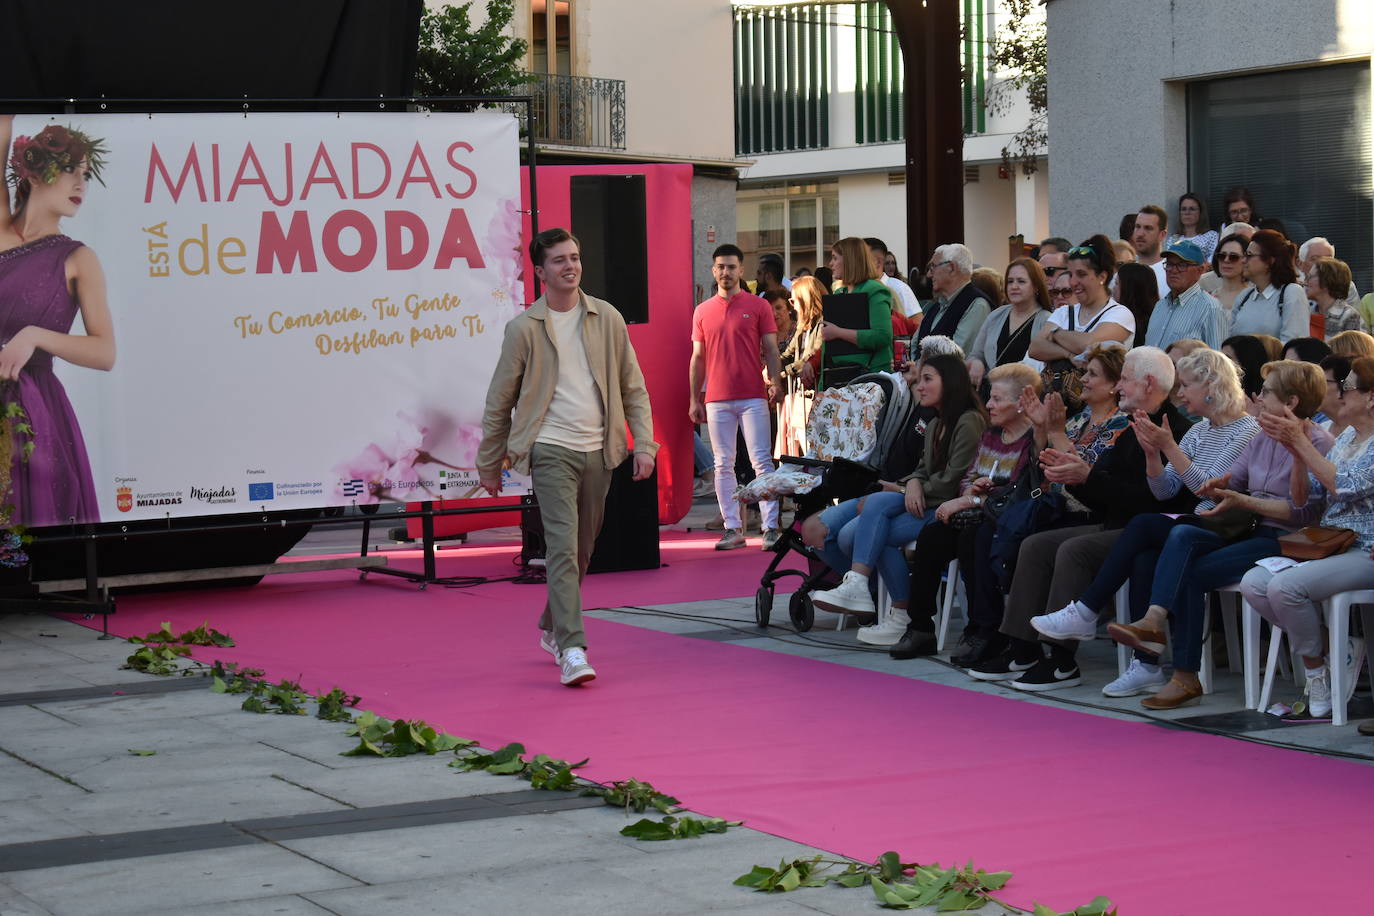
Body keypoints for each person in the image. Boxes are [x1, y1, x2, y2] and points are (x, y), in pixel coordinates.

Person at [478, 227, 658, 687]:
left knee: (581, 550)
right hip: (550, 448)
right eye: (559, 260)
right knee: (561, 547)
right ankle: (573, 648)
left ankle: (551, 624)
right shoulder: (524, 329)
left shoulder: (608, 318)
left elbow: (632, 387)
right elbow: (500, 400)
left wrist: (645, 444)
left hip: (599, 449)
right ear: (541, 272)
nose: (570, 266)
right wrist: (489, 460)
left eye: (574, 257)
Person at [1106, 360, 1334, 708]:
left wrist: (1242, 497)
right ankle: (1157, 629)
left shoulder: (1318, 441)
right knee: (1180, 536)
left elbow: (1302, 512)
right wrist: (1220, 485)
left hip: (1287, 540)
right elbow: (1227, 485)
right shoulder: (1260, 436)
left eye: (1267, 392)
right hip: (1247, 528)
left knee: (1188, 568)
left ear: (1290, 403)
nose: (1256, 396)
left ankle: (1182, 672)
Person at [1031, 348, 1258, 698]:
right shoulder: (1199, 432)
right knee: (1143, 555)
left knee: (1143, 526)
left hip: (1226, 528)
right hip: (1193, 524)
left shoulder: (1245, 431)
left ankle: (1087, 609)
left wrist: (1169, 447)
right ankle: (1146, 666)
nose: (1180, 394)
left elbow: (1207, 489)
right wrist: (1154, 455)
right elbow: (1164, 489)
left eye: (1187, 386)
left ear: (1212, 386)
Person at [1003, 347, 1194, 691]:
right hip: (1115, 524)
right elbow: (1103, 489)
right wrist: (1076, 476)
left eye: (1125, 379)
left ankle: (1061, 661)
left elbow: (1151, 501)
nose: (1119, 386)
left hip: (1147, 531)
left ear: (1148, 383)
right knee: (1035, 545)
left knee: (1074, 550)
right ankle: (1023, 646)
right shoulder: (1134, 426)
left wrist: (1086, 476)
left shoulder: (1174, 429)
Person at [967, 344, 1130, 681]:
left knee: (1053, 546)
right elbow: (1044, 469)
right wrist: (1042, 432)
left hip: (1095, 515)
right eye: (1085, 372)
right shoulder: (1079, 419)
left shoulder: (1121, 425)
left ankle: (1061, 656)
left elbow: (1084, 473)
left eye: (1092, 374)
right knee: (1020, 540)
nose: (1083, 379)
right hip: (1059, 509)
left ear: (1115, 384)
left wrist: (1052, 433)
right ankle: (1020, 646)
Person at [804, 354, 986, 644]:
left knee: (870, 521)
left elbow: (953, 480)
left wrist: (909, 488)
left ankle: (887, 604)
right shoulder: (937, 422)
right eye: (921, 378)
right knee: (856, 527)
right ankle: (868, 591)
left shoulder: (968, 421)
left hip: (946, 506)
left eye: (928, 379)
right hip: (924, 498)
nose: (920, 385)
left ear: (950, 382)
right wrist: (911, 483)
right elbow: (923, 470)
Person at [1241, 356, 1374, 720]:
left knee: (1286, 589)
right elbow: (1304, 499)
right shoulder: (1347, 436)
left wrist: (1301, 441)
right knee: (1255, 582)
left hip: (1364, 548)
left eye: (1346, 387)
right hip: (1327, 542)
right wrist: (1295, 451)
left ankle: (1317, 674)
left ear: (1371, 397)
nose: (1339, 393)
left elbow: (1343, 486)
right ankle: (1335, 648)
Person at [0, 118, 114, 528]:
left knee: (31, 546)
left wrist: (34, 336)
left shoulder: (78, 258)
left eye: (86, 175)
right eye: (70, 170)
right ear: (31, 172)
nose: (81, 185)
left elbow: (105, 353)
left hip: (36, 413)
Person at [890, 363, 1043, 664]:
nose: (989, 405)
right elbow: (968, 478)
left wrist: (971, 500)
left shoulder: (1033, 442)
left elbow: (1018, 494)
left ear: (1022, 403)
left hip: (1004, 522)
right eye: (990, 397)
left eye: (998, 399)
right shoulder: (990, 436)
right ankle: (920, 628)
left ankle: (983, 630)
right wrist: (972, 492)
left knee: (972, 538)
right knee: (932, 536)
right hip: (977, 513)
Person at [690, 243, 783, 551]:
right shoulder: (702, 311)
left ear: (741, 270)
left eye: (731, 267)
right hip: (717, 398)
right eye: (721, 267)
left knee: (761, 461)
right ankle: (733, 527)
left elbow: (771, 348)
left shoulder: (758, 307)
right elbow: (697, 358)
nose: (726, 272)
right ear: (714, 270)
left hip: (752, 395)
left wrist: (776, 381)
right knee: (722, 463)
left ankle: (771, 527)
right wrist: (695, 398)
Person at [1029, 235, 1134, 367]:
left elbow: (1089, 345)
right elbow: (1035, 348)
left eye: (1081, 274)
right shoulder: (1064, 311)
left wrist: (1055, 334)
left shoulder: (1120, 314)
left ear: (1102, 276)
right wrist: (1068, 354)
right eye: (1071, 274)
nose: (1073, 282)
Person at [819, 236, 896, 388]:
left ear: (849, 259)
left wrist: (838, 332)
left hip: (869, 381)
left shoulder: (875, 290)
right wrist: (823, 386)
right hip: (840, 378)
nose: (830, 263)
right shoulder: (840, 292)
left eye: (835, 258)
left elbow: (883, 336)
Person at [968, 258, 1052, 381]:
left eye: (1021, 281)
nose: (1014, 286)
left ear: (1036, 286)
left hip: (1025, 393)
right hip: (991, 392)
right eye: (1010, 281)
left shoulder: (1047, 320)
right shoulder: (996, 315)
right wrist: (976, 363)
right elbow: (976, 354)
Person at [777, 276, 827, 456]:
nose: (792, 305)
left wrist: (782, 372)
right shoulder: (802, 326)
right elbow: (788, 354)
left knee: (810, 446)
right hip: (801, 393)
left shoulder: (823, 324)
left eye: (793, 300)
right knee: (799, 442)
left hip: (814, 393)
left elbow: (809, 357)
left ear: (805, 300)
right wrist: (773, 367)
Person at [1232, 229, 1308, 342]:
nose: (1243, 260)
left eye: (1249, 255)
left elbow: (1293, 345)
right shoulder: (1244, 296)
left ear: (1270, 261)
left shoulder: (1292, 292)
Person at [1143, 240, 1221, 350]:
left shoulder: (1211, 308)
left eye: (1182, 265)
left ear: (1200, 270)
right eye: (1169, 264)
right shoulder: (1160, 305)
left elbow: (1218, 361)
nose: (1173, 270)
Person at [915, 243, 991, 354]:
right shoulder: (937, 306)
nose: (929, 275)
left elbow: (956, 354)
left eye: (933, 267)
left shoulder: (977, 305)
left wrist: (919, 366)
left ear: (951, 268)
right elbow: (915, 344)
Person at [1201, 233, 1252, 332]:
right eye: (1221, 256)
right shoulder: (1205, 298)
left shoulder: (1254, 298)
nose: (1226, 260)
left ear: (1246, 260)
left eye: (1234, 257)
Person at [866, 237, 921, 327]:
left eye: (862, 258)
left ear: (878, 262)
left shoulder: (899, 288)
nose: (858, 263)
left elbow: (918, 324)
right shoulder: (856, 288)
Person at [1306, 257, 1364, 340]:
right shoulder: (1307, 312)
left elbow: (1356, 350)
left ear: (1326, 281)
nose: (1306, 281)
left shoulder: (1350, 316)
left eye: (1310, 276)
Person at [1298, 237, 1362, 311]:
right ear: (1301, 264)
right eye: (1315, 259)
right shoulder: (1294, 287)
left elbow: (1352, 318)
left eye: (1328, 259)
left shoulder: (1346, 286)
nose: (1321, 264)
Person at [1115, 262, 1159, 348]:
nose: (1113, 288)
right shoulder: (1155, 316)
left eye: (1117, 283)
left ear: (1129, 288)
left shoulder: (1125, 320)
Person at [1167, 192, 1219, 262]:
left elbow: (1213, 262)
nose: (1187, 212)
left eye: (1192, 209)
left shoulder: (1211, 236)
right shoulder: (1173, 239)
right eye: (1183, 209)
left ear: (1200, 212)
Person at [1131, 204, 1170, 297]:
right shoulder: (1123, 272)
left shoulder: (1171, 274)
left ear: (1162, 235)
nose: (1140, 233)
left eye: (1148, 228)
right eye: (1137, 227)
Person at [1220, 334, 1269, 404]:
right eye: (1220, 357)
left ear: (1246, 363)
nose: (1220, 363)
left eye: (1227, 359)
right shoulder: (1217, 390)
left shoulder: (1263, 400)